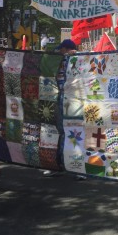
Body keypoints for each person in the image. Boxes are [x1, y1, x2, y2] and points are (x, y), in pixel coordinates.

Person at [43, 39, 84, 179]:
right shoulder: (60, 60)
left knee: (72, 133)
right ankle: (62, 165)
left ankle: (77, 168)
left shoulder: (78, 59)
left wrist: (75, 54)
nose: (59, 51)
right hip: (64, 100)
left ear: (66, 49)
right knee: (63, 132)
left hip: (74, 101)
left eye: (61, 49)